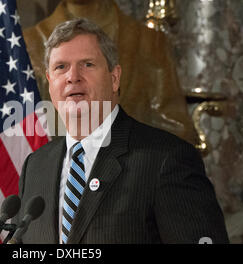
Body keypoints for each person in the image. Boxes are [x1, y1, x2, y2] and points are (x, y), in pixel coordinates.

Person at [16, 18, 229, 244]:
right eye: (61, 67)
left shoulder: (166, 159)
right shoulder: (36, 166)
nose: (72, 76)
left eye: (87, 64)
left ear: (114, 77)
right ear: (50, 82)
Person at [23, 0, 198, 146]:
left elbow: (177, 131)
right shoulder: (29, 45)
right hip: (62, 178)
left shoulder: (149, 42)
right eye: (61, 67)